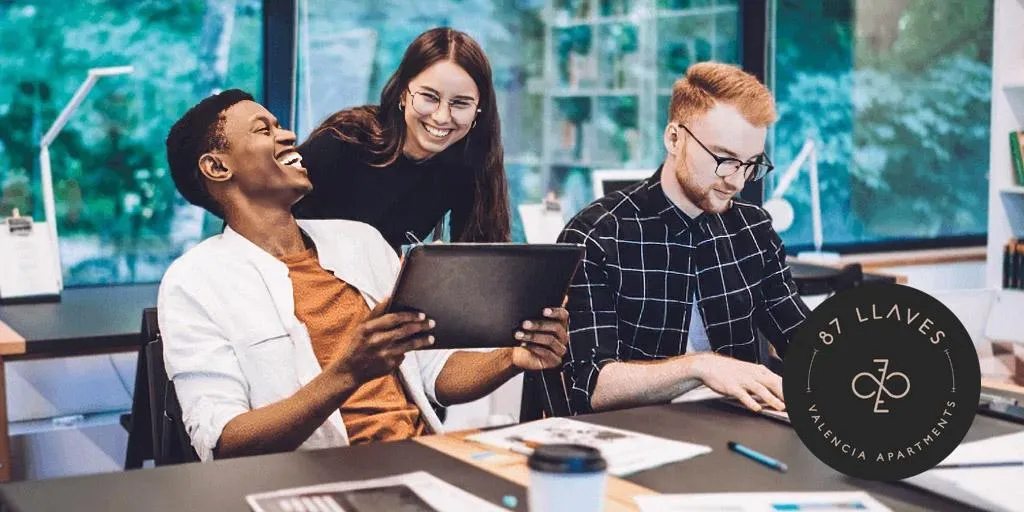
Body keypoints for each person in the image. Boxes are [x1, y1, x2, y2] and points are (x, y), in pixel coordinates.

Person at [161, 90, 568, 461]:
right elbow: (222, 443)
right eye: (263, 130)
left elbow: (435, 374)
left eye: (281, 125)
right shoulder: (194, 282)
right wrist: (346, 374)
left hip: (424, 458)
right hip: (318, 480)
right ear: (217, 166)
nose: (288, 137)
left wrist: (511, 358)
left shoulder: (363, 242)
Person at [557, 62, 810, 416]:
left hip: (741, 434)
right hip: (636, 441)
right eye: (725, 159)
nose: (737, 181)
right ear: (674, 139)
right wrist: (700, 366)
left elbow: (805, 342)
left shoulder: (753, 229)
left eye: (751, 164)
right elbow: (591, 386)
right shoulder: (599, 234)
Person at [293, 27, 509, 251]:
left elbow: (482, 262)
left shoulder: (466, 161)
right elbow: (269, 216)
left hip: (378, 284)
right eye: (429, 97)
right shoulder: (346, 137)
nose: (442, 117)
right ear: (403, 94)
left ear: (478, 110)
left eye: (461, 103)